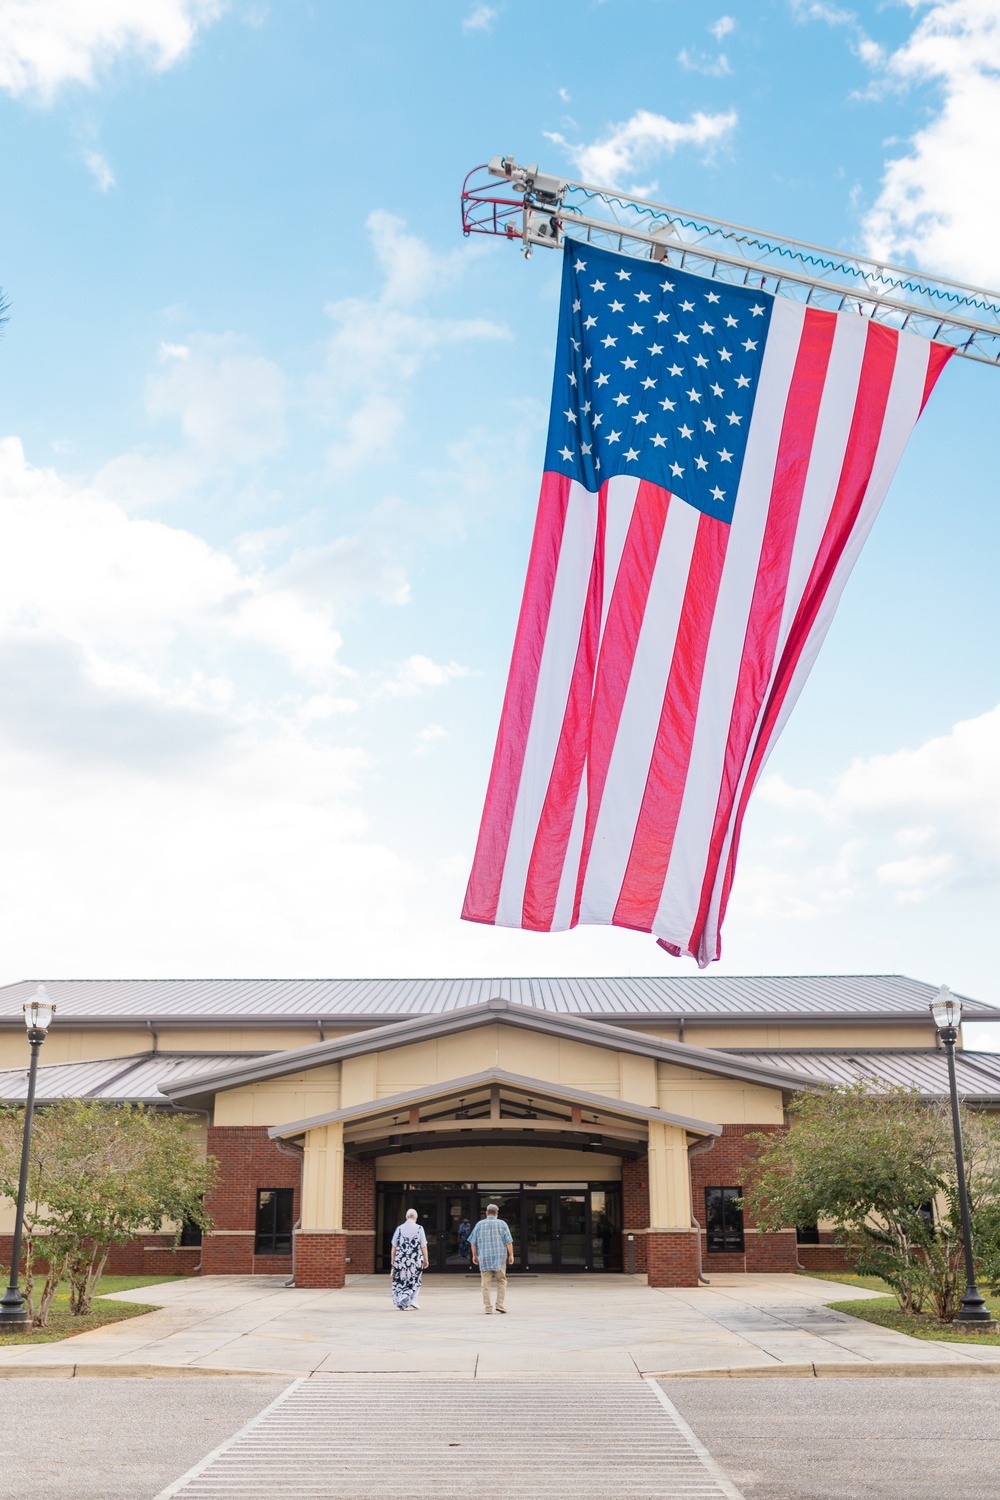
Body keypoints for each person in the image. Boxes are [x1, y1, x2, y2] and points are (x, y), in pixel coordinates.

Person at [468, 1203, 513, 1314]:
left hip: (484, 1258)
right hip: (500, 1258)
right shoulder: (502, 1224)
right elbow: (508, 1241)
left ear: (486, 1213)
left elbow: (473, 1242)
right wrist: (511, 1254)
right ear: (497, 1213)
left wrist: (474, 1255)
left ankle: (488, 1308)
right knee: (501, 1281)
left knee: (485, 1284)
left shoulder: (479, 1224)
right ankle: (500, 1304)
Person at [390, 1208, 428, 1310]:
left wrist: (393, 1260)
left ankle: (404, 1302)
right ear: (415, 1218)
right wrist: (426, 1259)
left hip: (401, 1261)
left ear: (406, 1217)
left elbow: (394, 1246)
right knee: (415, 1280)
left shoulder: (399, 1228)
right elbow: (423, 1246)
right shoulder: (420, 1228)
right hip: (415, 1260)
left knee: (402, 1280)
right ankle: (413, 1299)